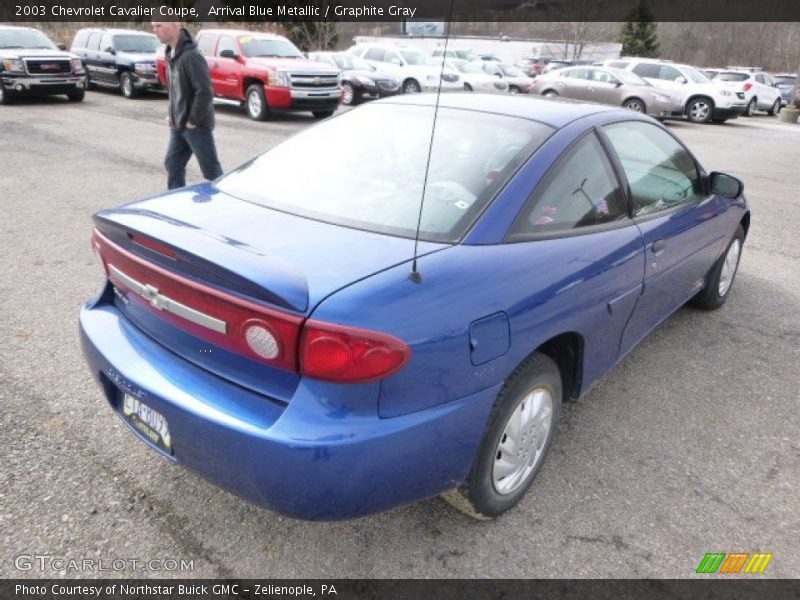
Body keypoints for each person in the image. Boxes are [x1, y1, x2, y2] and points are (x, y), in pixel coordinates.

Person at [152, 21, 223, 190]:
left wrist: (193, 119)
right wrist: (172, 113)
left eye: (159, 25)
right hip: (178, 124)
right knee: (172, 164)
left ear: (175, 24)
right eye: (153, 26)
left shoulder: (191, 56)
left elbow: (204, 91)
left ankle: (227, 207)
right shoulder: (170, 53)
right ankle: (176, 203)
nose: (155, 30)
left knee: (212, 172)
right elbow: (175, 89)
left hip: (195, 126)